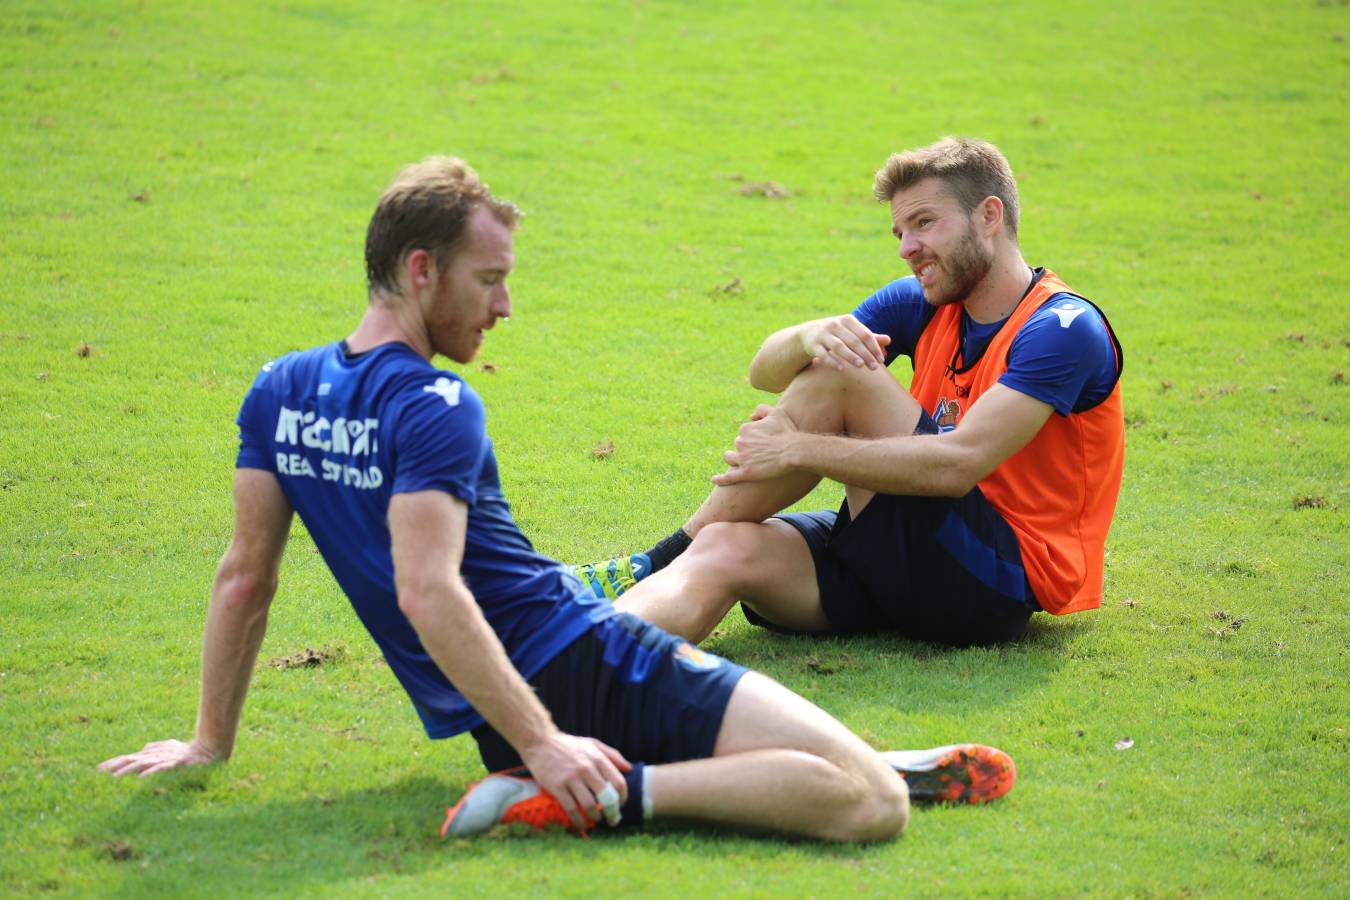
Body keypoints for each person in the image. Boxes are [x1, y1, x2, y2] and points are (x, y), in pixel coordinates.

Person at [97, 156, 1016, 842]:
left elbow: (244, 577)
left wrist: (208, 742)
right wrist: (544, 747)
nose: (503, 307)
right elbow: (428, 589)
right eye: (488, 280)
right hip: (589, 662)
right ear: (420, 271)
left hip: (504, 706)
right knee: (872, 802)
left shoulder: (279, 389)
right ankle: (612, 791)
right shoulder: (435, 404)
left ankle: (741, 757)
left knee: (805, 752)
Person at [575, 137, 1124, 650]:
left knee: (846, 373)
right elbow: (765, 373)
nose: (908, 248)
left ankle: (659, 556)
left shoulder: (1063, 328)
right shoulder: (920, 302)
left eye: (924, 223)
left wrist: (797, 449)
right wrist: (806, 335)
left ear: (989, 215)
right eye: (899, 232)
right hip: (910, 555)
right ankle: (575, 652)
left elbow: (960, 464)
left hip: (993, 583)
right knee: (726, 545)